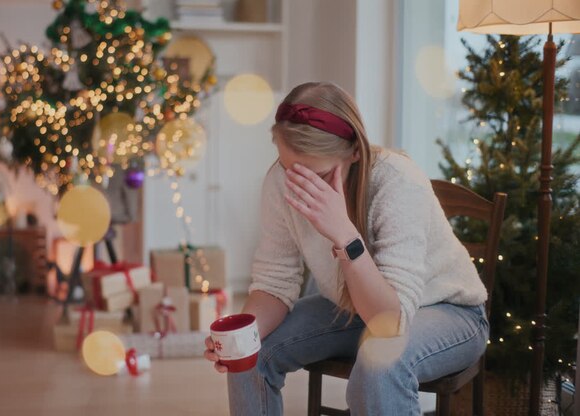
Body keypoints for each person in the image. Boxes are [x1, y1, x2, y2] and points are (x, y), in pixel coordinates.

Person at [203, 82, 489, 415]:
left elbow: (389, 322)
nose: (303, 187)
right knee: (253, 351)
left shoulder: (397, 181)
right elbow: (273, 282)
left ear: (355, 151)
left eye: (320, 175)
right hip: (354, 307)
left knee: (379, 363)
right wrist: (240, 339)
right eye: (289, 169)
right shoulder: (281, 182)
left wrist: (344, 234)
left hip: (446, 310)